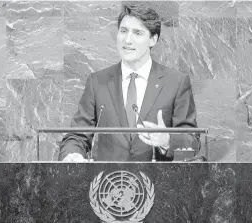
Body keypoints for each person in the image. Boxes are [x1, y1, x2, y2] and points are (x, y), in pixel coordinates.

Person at [59, 3, 199, 162]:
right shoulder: (97, 82)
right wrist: (73, 155)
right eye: (123, 31)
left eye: (137, 33)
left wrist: (167, 140)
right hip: (107, 182)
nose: (127, 40)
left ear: (153, 39)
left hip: (159, 183)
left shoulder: (176, 83)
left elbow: (192, 142)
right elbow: (76, 136)